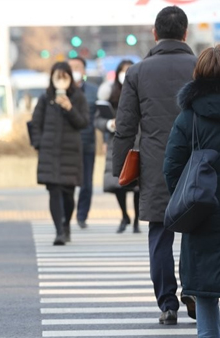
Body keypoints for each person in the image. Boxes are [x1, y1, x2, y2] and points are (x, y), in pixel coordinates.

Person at [112, 5, 197, 325]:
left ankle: (168, 304)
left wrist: (119, 171)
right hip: (198, 164)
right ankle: (193, 290)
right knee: (196, 231)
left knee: (160, 235)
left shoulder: (137, 72)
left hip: (155, 165)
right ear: (185, 34)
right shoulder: (200, 68)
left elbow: (125, 127)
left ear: (155, 34)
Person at [165, 45, 220, 338]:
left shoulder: (189, 117)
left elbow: (171, 167)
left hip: (203, 215)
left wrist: (189, 200)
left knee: (208, 296)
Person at [31, 62, 89, 245]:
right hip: (50, 152)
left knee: (68, 193)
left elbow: (83, 123)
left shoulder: (78, 97)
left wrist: (69, 108)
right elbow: (35, 123)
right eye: (58, 76)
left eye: (65, 76)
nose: (61, 80)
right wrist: (39, 143)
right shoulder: (45, 98)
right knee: (54, 191)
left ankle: (66, 225)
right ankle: (59, 231)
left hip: (70, 152)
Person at [95, 60, 141, 234]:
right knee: (117, 183)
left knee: (137, 185)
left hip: (137, 141)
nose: (126, 73)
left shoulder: (141, 91)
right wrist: (108, 124)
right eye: (123, 70)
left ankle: (136, 219)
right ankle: (124, 216)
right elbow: (97, 120)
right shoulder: (111, 94)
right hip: (116, 142)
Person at [68, 57, 98, 230]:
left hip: (87, 143)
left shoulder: (94, 91)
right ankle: (67, 216)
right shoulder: (61, 91)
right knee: (68, 183)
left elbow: (100, 116)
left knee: (86, 183)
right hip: (68, 144)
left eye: (77, 67)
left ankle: (82, 216)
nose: (74, 71)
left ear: (84, 70)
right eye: (71, 67)